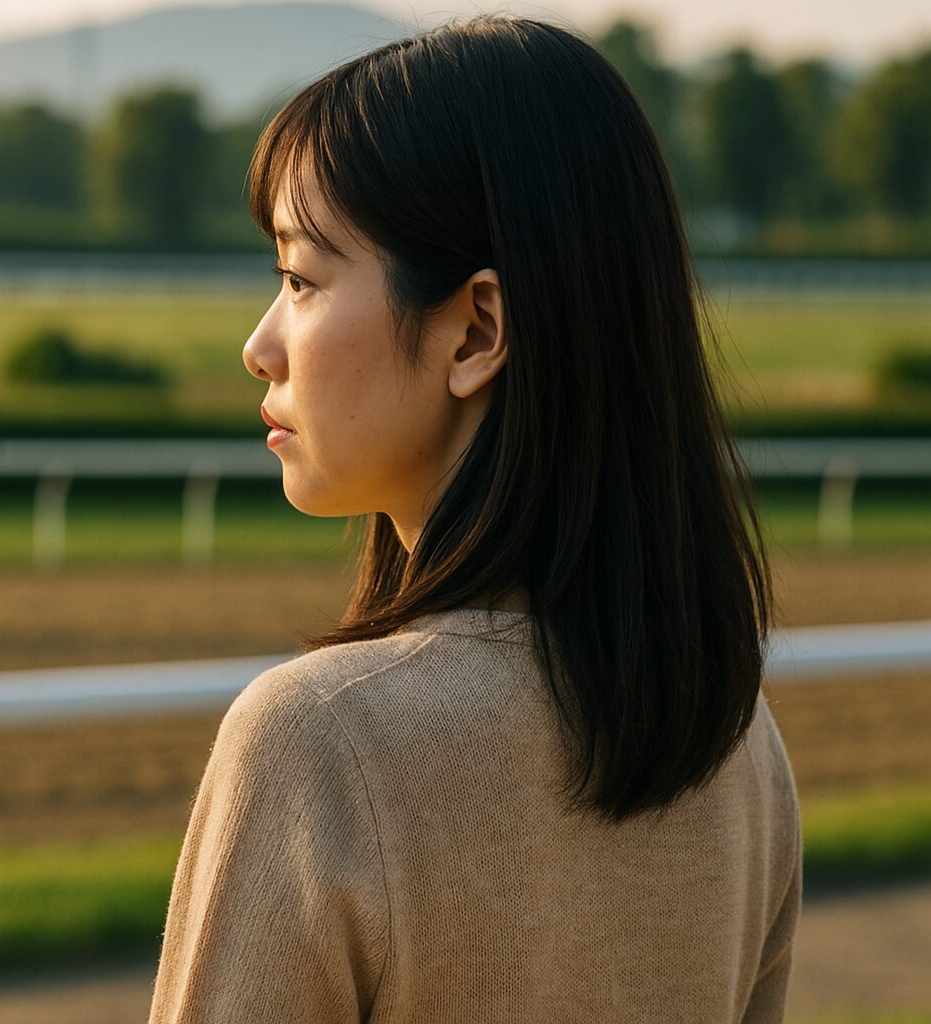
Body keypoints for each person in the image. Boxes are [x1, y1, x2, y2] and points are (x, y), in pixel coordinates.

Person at [148, 16, 798, 1024]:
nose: (261, 345)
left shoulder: (320, 740)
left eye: (299, 279)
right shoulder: (735, 737)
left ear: (477, 330)